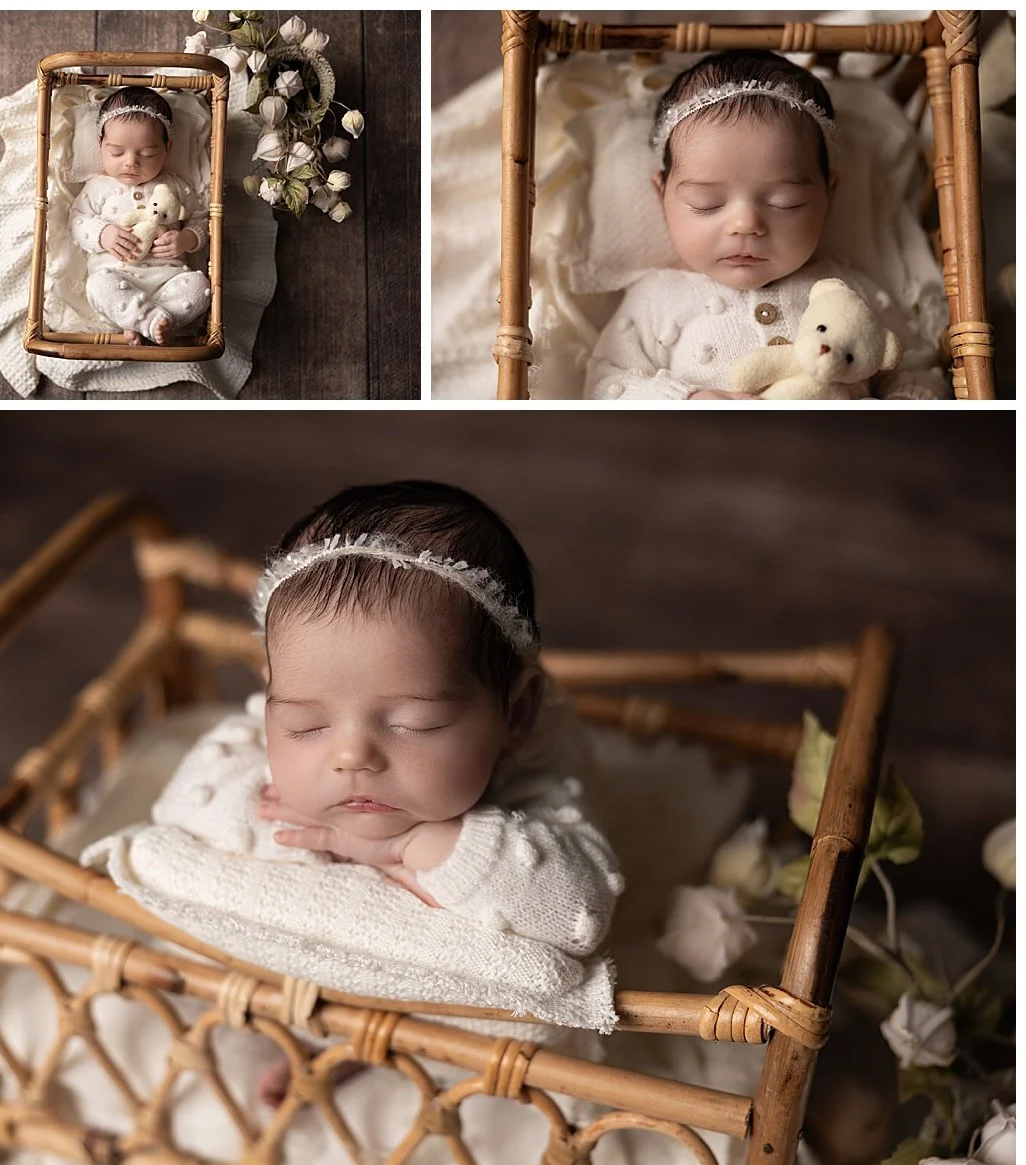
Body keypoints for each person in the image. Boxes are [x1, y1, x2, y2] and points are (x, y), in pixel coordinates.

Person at [243, 479, 623, 1104]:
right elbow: (190, 811)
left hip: (474, 1045)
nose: (350, 756)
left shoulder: (537, 777)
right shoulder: (254, 743)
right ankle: (333, 1039)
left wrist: (402, 847)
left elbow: (574, 913)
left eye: (414, 724)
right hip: (311, 992)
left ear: (516, 712)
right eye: (304, 724)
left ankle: (392, 1046)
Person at [582, 50, 946, 400]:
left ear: (828, 195)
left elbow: (916, 369)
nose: (746, 225)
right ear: (662, 195)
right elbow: (605, 384)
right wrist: (688, 399)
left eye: (785, 202)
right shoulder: (656, 299)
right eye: (707, 203)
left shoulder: (849, 292)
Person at [70, 86, 211, 346]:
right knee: (98, 285)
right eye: (116, 152)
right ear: (100, 144)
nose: (130, 162)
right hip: (117, 278)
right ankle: (153, 322)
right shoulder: (98, 186)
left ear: (167, 148)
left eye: (147, 154)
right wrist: (103, 234)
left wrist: (187, 239)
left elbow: (201, 218)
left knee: (200, 286)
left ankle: (143, 322)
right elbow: (77, 221)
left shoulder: (176, 185)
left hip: (169, 280)